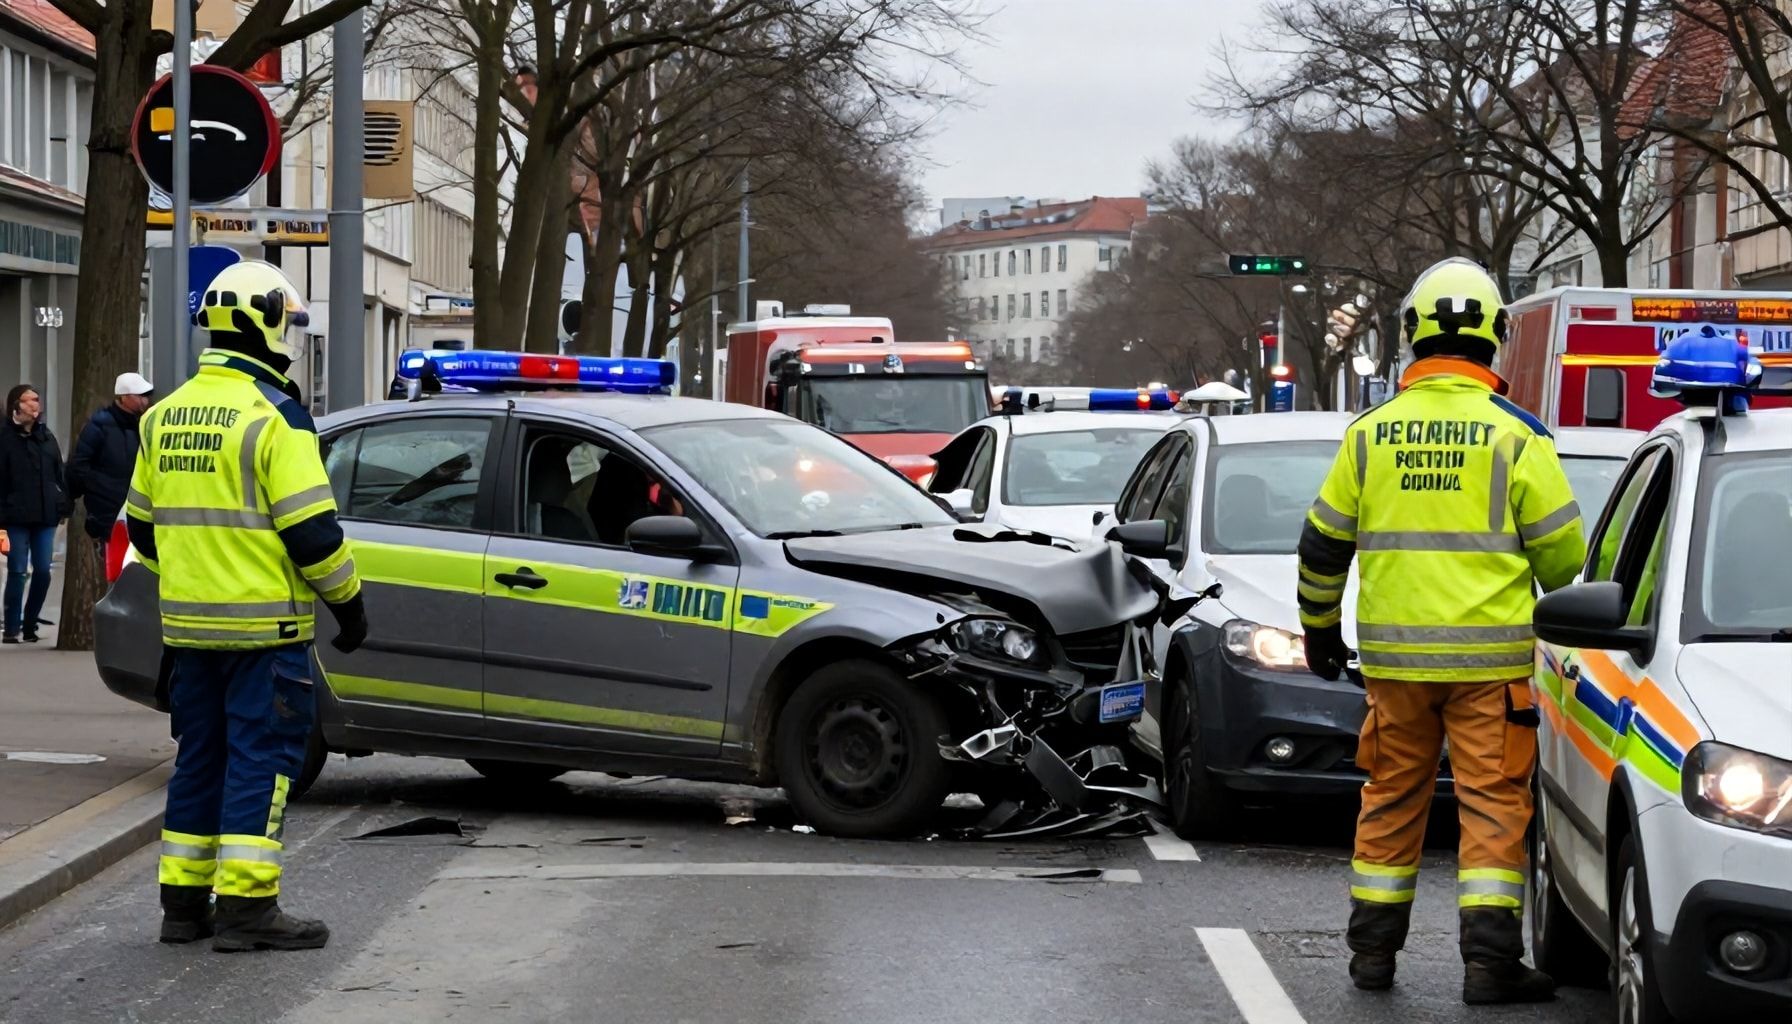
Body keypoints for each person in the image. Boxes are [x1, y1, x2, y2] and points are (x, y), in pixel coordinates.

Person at [1294, 258, 1586, 1005]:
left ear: (1413, 335)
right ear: (1495, 336)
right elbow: (1564, 560)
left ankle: (1372, 957)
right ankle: (1489, 965)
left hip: (1394, 666)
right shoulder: (1519, 438)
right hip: (1492, 667)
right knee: (1493, 805)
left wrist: (1318, 631)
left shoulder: (1370, 435)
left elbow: (1324, 544)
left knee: (1391, 799)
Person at [125, 260, 367, 952]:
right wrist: (350, 607)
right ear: (263, 322)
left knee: (200, 758)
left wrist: (200, 575)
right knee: (260, 762)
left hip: (189, 632)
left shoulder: (163, 416)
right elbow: (314, 536)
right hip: (265, 633)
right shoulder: (277, 417)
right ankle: (247, 910)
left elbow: (143, 529)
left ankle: (182, 907)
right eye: (286, 319)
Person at [0, 383, 68, 644]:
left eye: (37, 400)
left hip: (44, 515)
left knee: (42, 570)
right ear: (15, 405)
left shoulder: (45, 437)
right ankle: (12, 627)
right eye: (28, 400)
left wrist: (62, 502)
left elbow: (58, 473)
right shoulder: (5, 438)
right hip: (14, 516)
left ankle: (31, 623)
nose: (34, 405)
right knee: (17, 571)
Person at [68, 372, 155, 559]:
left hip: (135, 508)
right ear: (124, 397)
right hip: (107, 511)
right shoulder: (99, 425)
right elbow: (79, 465)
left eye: (146, 396)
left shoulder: (145, 424)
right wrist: (99, 489)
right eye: (139, 396)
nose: (145, 401)